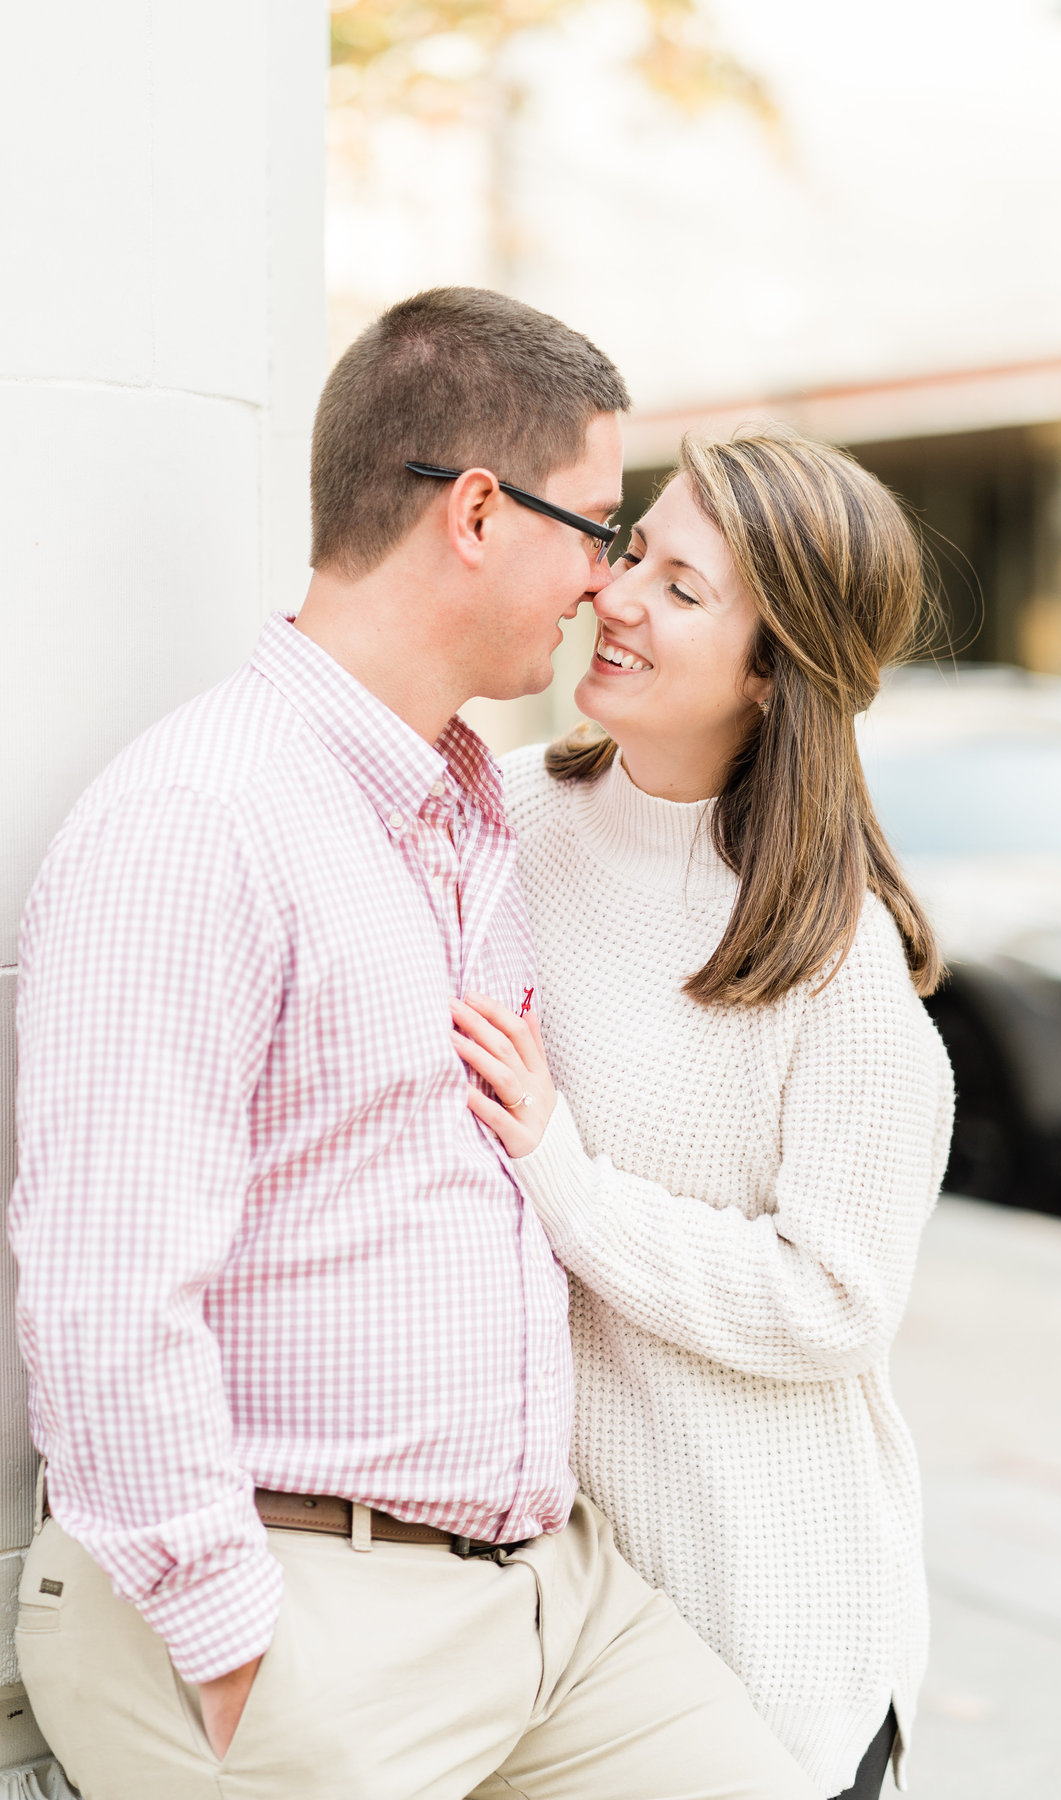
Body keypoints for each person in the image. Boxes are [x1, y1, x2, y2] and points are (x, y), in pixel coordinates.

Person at [10, 292, 817, 1800]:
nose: (600, 584)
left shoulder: (472, 814)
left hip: (545, 1602)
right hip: (299, 1609)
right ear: (472, 514)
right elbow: (104, 1292)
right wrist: (235, 1646)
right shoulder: (203, 826)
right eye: (592, 527)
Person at [449, 425, 955, 1800]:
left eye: (682, 588)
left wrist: (571, 1180)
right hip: (548, 1649)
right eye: (633, 554)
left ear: (777, 666)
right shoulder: (499, 825)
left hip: (770, 1653)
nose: (613, 597)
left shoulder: (828, 959)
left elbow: (839, 1299)